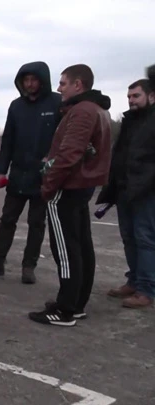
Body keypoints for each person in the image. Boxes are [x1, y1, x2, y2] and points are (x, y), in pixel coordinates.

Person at [29, 64, 111, 327]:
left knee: (65, 249)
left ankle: (65, 309)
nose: (59, 88)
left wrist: (48, 186)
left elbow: (68, 155)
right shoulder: (95, 110)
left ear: (78, 84)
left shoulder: (82, 112)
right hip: (80, 187)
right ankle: (75, 304)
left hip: (68, 188)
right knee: (81, 245)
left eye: (63, 83)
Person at [0, 61, 62, 284]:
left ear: (42, 81)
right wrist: (1, 170)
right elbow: (9, 141)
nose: (30, 84)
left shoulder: (56, 103)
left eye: (34, 79)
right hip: (18, 174)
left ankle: (28, 266)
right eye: (26, 80)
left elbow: (64, 138)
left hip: (43, 176)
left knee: (36, 222)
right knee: (7, 220)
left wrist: (54, 162)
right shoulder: (16, 106)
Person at [96, 79, 155, 309]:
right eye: (129, 97)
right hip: (124, 190)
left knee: (145, 240)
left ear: (151, 96)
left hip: (146, 192)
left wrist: (145, 183)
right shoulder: (129, 122)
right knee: (129, 238)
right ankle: (134, 281)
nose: (131, 101)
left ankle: (146, 290)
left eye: (136, 96)